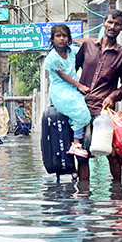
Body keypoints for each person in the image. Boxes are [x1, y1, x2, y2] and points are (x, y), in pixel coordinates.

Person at [76, 10, 122, 181]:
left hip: (103, 111)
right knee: (82, 154)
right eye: (110, 22)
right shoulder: (87, 46)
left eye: (117, 24)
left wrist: (113, 96)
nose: (112, 27)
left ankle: (117, 193)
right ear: (104, 23)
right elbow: (73, 69)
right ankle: (83, 198)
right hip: (81, 108)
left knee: (112, 153)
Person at [44, 24, 92, 158]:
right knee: (80, 111)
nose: (61, 39)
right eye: (58, 36)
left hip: (73, 86)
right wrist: (79, 85)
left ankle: (88, 144)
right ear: (52, 39)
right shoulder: (52, 58)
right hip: (60, 89)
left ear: (69, 38)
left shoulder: (73, 51)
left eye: (64, 36)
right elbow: (63, 75)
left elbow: (85, 55)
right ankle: (76, 144)